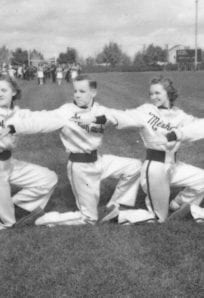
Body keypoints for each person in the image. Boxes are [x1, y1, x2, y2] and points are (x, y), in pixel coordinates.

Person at [7, 74, 142, 226]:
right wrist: (13, 127)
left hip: (99, 161)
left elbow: (125, 117)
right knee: (89, 219)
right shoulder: (66, 112)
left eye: (82, 91)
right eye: (75, 91)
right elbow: (40, 121)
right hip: (81, 168)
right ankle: (45, 220)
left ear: (93, 92)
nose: (77, 94)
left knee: (135, 166)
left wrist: (148, 118)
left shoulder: (101, 110)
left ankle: (115, 206)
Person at [76, 76, 204, 224]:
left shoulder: (180, 115)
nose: (153, 97)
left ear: (168, 93)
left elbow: (198, 126)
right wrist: (98, 117)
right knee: (159, 218)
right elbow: (122, 115)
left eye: (157, 93)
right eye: (151, 94)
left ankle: (180, 204)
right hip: (155, 169)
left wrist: (176, 134)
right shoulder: (146, 111)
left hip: (174, 166)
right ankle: (118, 215)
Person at [0, 73, 58, 230]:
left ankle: (16, 206)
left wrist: (66, 116)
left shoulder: (17, 113)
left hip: (6, 163)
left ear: (13, 92)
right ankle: (6, 217)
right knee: (8, 223)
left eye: (3, 90)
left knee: (48, 178)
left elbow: (38, 119)